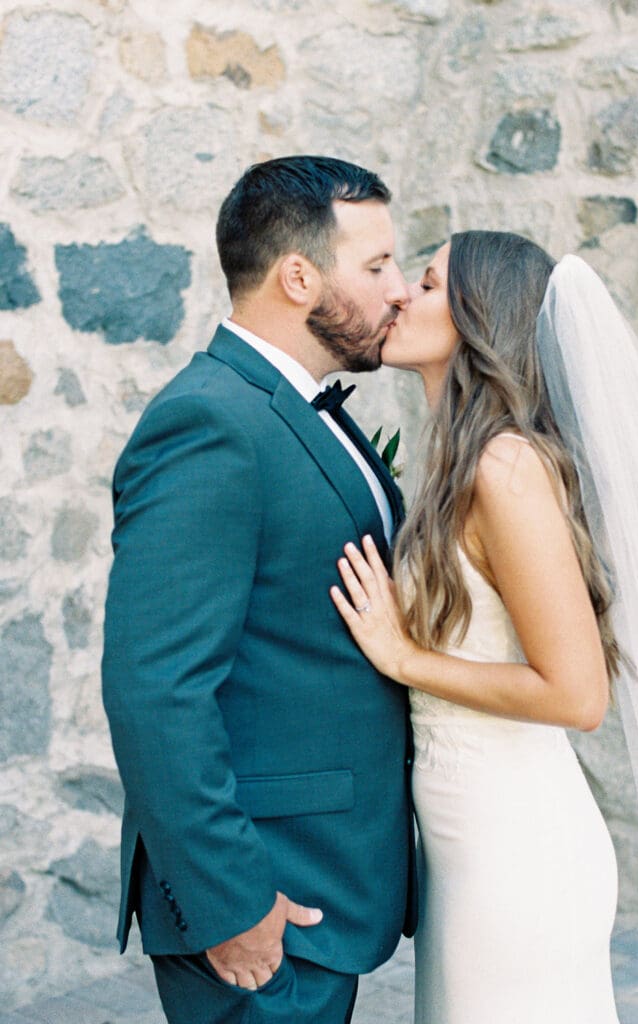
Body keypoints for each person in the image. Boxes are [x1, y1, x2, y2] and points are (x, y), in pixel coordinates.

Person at [331, 231, 638, 1024]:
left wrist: (403, 656)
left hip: (516, 854)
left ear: (475, 318)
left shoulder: (507, 468)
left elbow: (577, 694)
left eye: (426, 285)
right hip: (464, 847)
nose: (399, 295)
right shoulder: (458, 465)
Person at [101, 155, 416, 1024]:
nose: (398, 289)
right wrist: (230, 901)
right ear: (299, 276)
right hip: (267, 892)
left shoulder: (294, 405)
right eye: (378, 264)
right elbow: (156, 687)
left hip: (324, 874)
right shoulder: (211, 421)